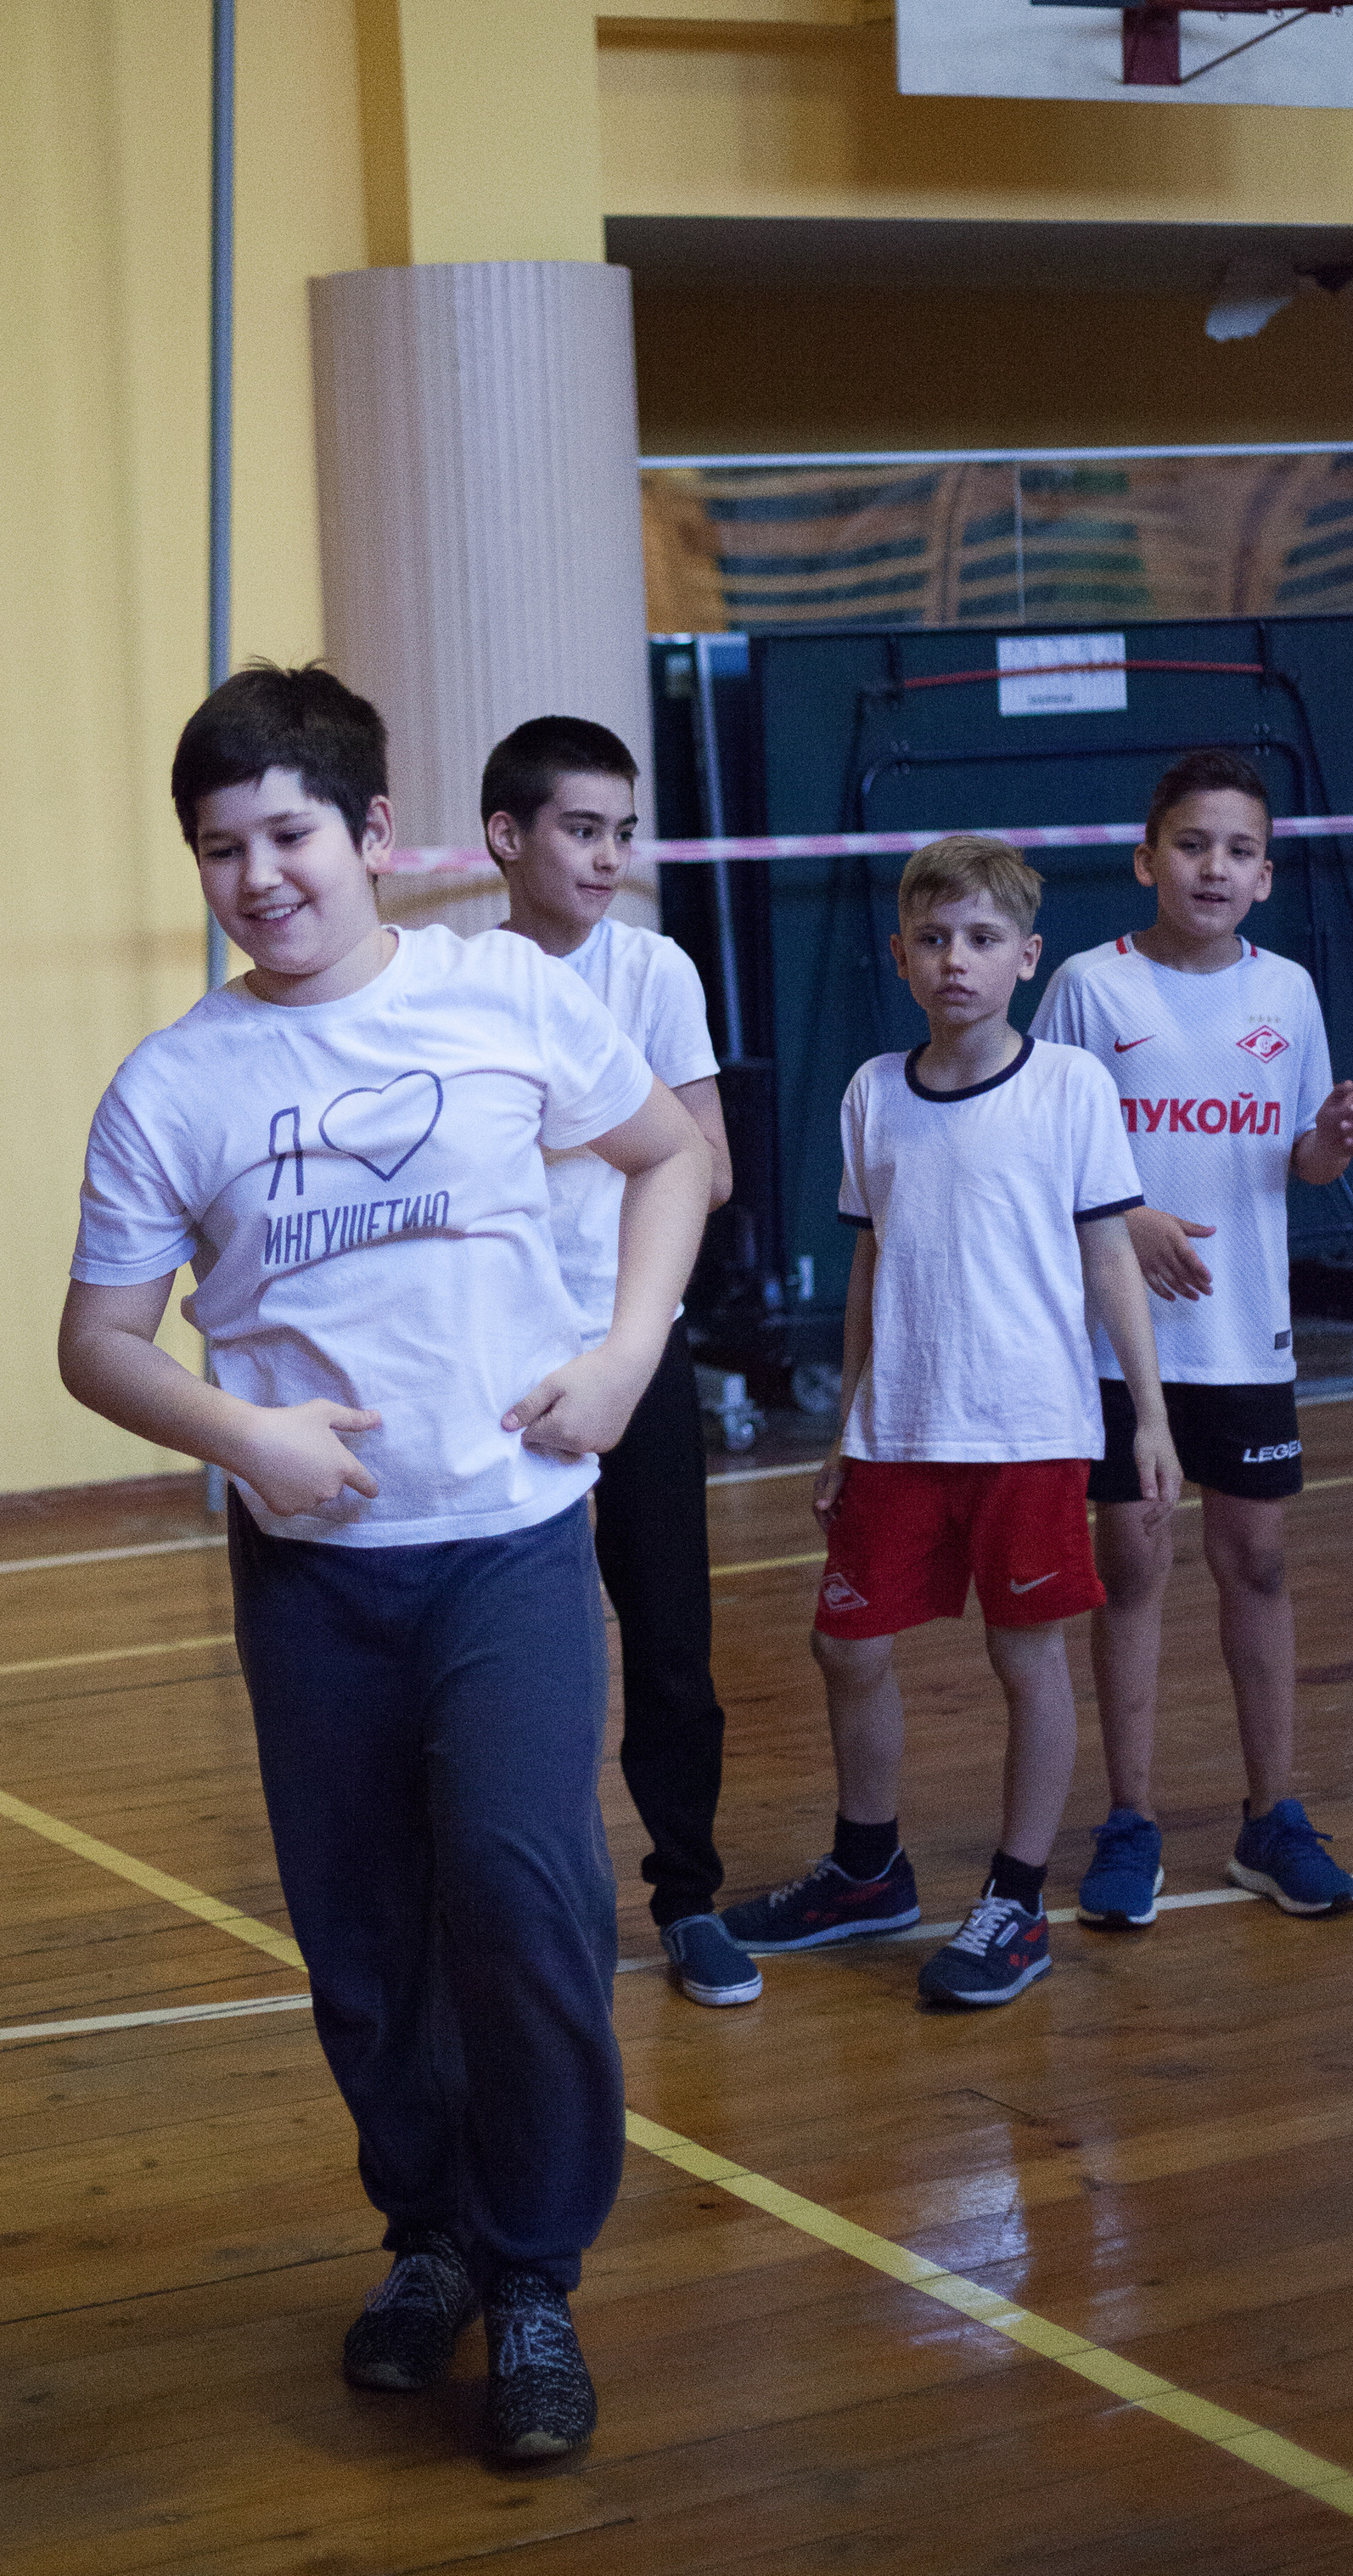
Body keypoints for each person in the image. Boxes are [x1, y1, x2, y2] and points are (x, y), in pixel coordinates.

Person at [58, 665, 714, 2461]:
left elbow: (669, 1159)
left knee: (522, 1910)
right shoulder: (173, 1083)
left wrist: (627, 1346)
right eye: (217, 849)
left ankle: (531, 2281)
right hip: (315, 1579)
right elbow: (100, 1340)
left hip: (504, 1547)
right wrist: (241, 1435)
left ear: (370, 837)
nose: (257, 877)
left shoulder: (504, 993)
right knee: (366, 1944)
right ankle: (425, 2238)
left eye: (287, 836)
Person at [719, 835, 1178, 2008]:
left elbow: (1110, 1259)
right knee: (846, 1646)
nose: (955, 961)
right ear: (901, 956)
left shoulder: (1071, 1085)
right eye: (933, 940)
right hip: (896, 1434)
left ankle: (1016, 1904)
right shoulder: (872, 1091)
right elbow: (872, 1268)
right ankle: (869, 1868)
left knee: (1025, 1657)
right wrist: (842, 1424)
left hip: (1029, 1431)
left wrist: (1149, 1418)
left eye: (980, 940)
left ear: (1025, 957)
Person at [1033, 750, 1353, 1926]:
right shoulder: (1090, 984)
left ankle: (1270, 1816)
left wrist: (1335, 1138)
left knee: (1262, 1566)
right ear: (1147, 860)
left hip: (1245, 1338)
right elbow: (1040, 1145)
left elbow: (1304, 1159)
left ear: (1267, 876)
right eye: (1192, 845)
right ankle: (1127, 1820)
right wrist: (1125, 1220)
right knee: (1132, 1563)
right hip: (1118, 1349)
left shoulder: (1286, 993)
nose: (1214, 867)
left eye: (1238, 850)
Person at [481, 712, 758, 2010]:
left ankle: (689, 1896)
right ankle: (526, 1903)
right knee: (517, 1652)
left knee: (669, 1639)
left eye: (622, 834)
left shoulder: (655, 973)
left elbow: (706, 1170)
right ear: (508, 838)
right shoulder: (452, 983)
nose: (606, 858)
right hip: (498, 1369)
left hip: (633, 1351)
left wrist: (597, 1148)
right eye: (581, 831)